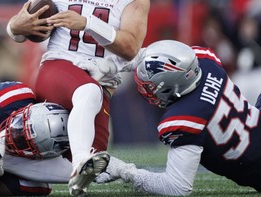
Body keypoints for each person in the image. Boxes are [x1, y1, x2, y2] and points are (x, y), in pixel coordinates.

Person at [6, 0, 156, 195]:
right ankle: (80, 163)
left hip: (101, 79)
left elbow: (129, 47)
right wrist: (14, 27)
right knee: (88, 102)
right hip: (58, 67)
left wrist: (88, 23)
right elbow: (23, 27)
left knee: (95, 168)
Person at [99, 40, 261, 195]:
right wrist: (113, 65)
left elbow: (176, 187)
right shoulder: (205, 61)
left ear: (168, 86)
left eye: (149, 85)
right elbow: (155, 56)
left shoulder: (184, 118)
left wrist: (125, 171)